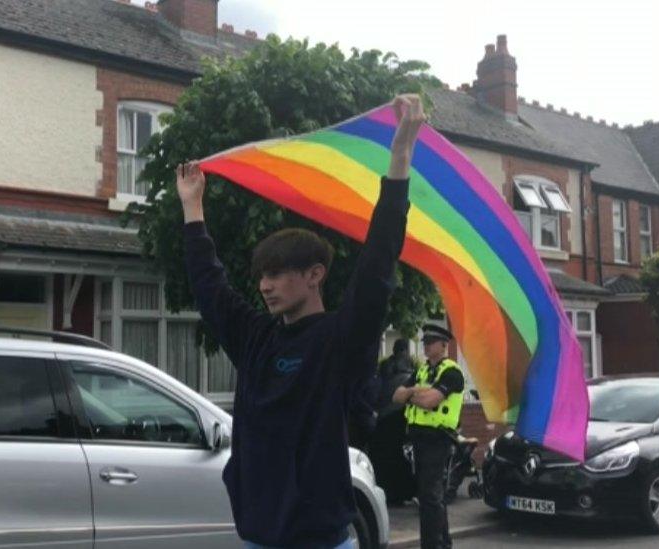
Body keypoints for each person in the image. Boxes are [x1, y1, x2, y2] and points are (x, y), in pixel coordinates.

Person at [178, 94, 426, 548]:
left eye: (276, 274)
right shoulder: (256, 337)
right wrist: (193, 207)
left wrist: (400, 158)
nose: (264, 286)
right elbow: (210, 288)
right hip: (257, 537)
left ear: (315, 276)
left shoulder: (340, 340)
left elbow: (377, 268)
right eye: (261, 276)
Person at [392, 322, 465, 549]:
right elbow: (396, 396)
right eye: (424, 341)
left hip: (437, 439)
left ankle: (432, 545)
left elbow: (430, 401)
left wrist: (412, 393)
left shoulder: (451, 372)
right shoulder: (422, 371)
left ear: (444, 345)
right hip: (418, 439)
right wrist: (417, 392)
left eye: (431, 342)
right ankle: (443, 543)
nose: (426, 345)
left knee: (430, 497)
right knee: (431, 496)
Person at [370, 338, 416, 503]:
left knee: (384, 455)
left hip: (383, 416)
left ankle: (387, 493)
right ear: (405, 350)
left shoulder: (385, 367)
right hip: (400, 415)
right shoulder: (411, 370)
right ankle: (402, 493)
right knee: (398, 454)